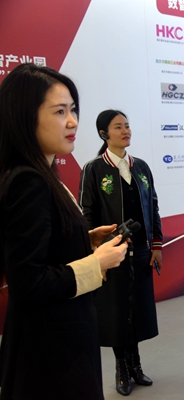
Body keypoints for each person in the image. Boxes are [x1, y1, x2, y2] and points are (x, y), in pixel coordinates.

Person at [0, 63, 127, 399]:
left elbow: (42, 245)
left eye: (73, 110)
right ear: (25, 117)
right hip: (49, 352)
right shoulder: (29, 181)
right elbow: (28, 281)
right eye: (59, 111)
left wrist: (83, 240)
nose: (72, 122)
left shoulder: (42, 172)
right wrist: (96, 263)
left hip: (58, 340)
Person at [79, 109, 163, 395]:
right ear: (104, 134)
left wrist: (156, 245)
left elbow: (153, 206)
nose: (125, 131)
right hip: (111, 253)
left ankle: (136, 364)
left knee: (137, 309)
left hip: (141, 251)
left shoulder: (141, 167)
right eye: (118, 127)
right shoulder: (94, 169)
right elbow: (86, 214)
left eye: (127, 126)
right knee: (117, 312)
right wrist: (96, 254)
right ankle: (122, 368)